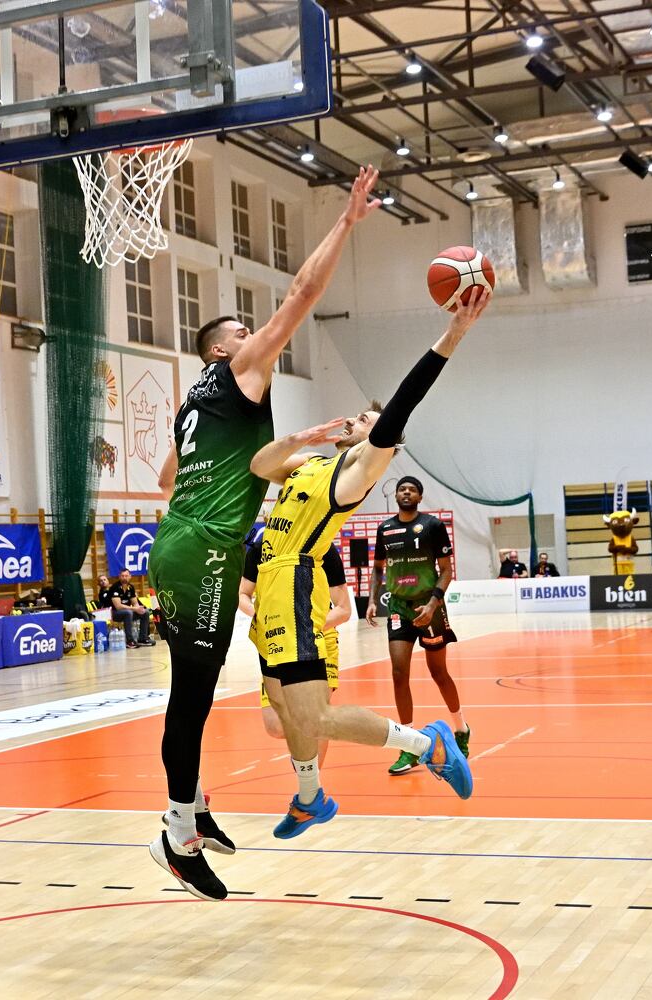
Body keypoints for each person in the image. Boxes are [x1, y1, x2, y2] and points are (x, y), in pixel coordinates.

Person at [146, 166, 383, 902]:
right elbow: (302, 294)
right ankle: (177, 834)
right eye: (242, 335)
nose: (256, 339)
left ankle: (193, 808)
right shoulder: (238, 373)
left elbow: (164, 478)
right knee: (192, 695)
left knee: (194, 687)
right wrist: (345, 222)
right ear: (223, 352)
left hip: (182, 542)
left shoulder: (194, 404)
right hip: (204, 551)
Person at [248, 287, 490, 842]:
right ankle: (310, 796)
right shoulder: (310, 464)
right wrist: (301, 436)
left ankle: (428, 745)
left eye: (367, 421)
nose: (357, 419)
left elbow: (403, 403)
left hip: (296, 583)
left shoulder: (357, 473)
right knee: (283, 706)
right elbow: (260, 465)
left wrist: (452, 336)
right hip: (271, 588)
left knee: (315, 716)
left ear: (383, 443)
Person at [368, 476, 466, 774]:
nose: (406, 492)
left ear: (420, 497)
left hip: (430, 607)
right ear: (396, 495)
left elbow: (446, 571)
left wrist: (433, 604)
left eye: (412, 489)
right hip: (398, 607)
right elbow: (378, 569)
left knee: (439, 673)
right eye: (402, 489)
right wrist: (372, 600)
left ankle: (461, 729)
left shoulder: (433, 526)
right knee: (399, 674)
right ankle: (409, 746)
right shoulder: (385, 529)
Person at [240, 538, 350, 764]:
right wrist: (259, 616)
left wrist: (304, 627)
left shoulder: (322, 546)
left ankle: (312, 780)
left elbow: (343, 609)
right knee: (275, 725)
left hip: (317, 638)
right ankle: (305, 753)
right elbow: (243, 594)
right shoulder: (261, 547)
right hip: (275, 641)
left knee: (316, 718)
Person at [110, 569, 154, 647]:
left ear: (130, 577)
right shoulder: (115, 587)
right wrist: (134, 609)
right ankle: (129, 641)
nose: (124, 578)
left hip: (127, 613)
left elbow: (135, 603)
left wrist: (139, 609)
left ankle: (142, 639)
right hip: (114, 613)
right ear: (119, 577)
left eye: (126, 576)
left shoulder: (131, 587)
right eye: (122, 576)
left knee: (145, 612)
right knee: (128, 613)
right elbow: (118, 606)